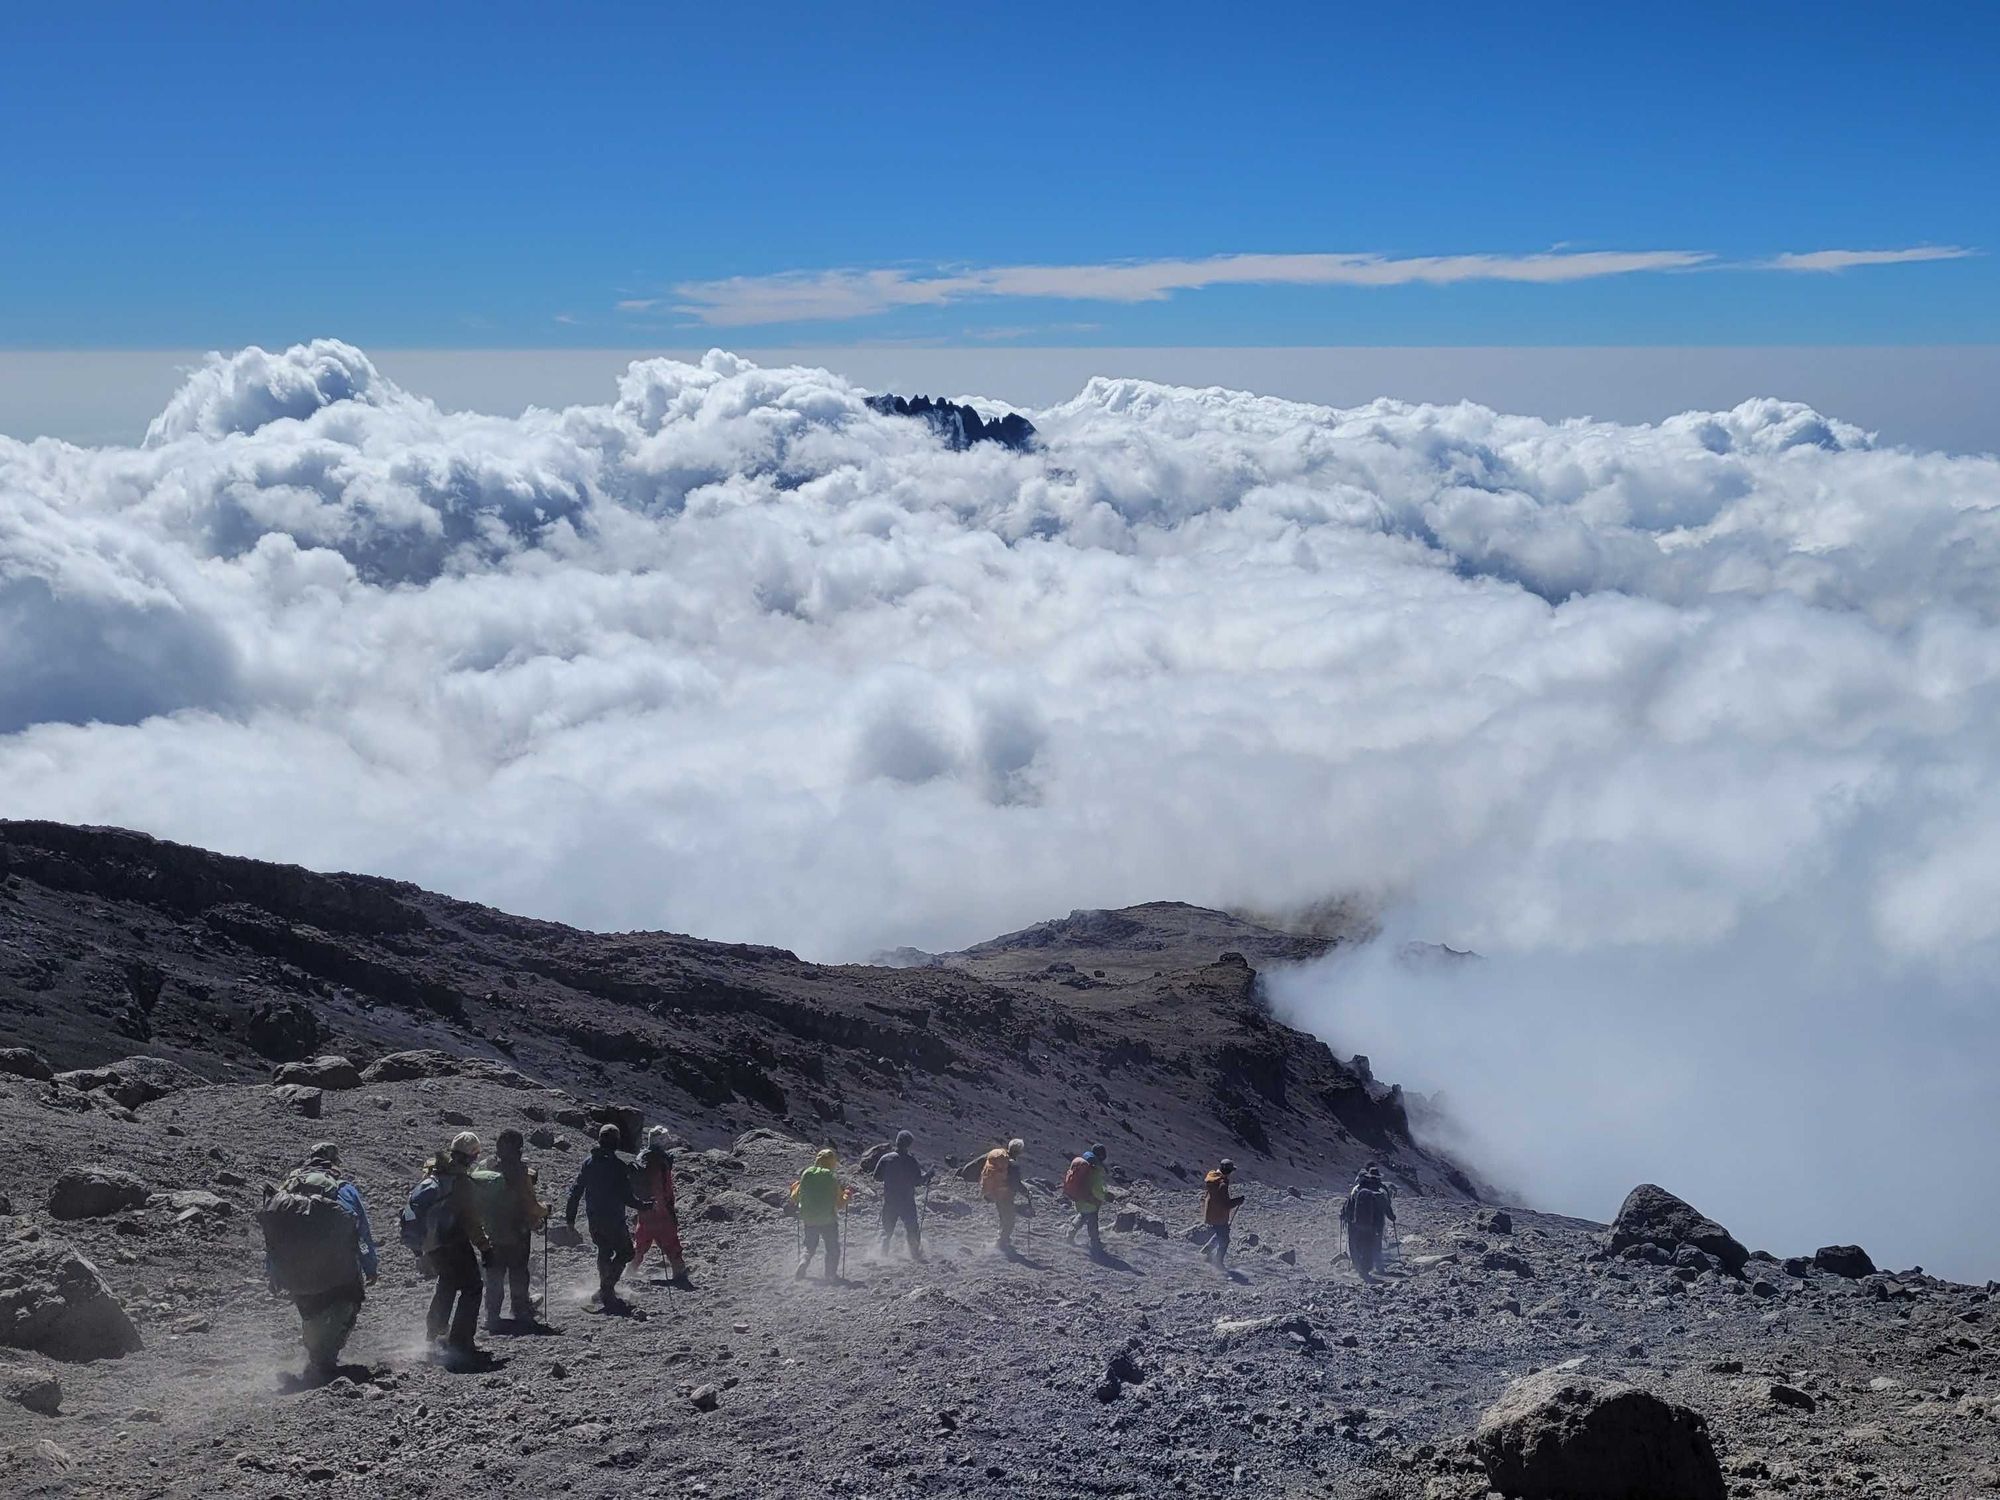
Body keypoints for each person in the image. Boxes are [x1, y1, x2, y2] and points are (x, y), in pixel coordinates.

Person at [260, 1141, 378, 1380]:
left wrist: (273, 1272)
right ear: (334, 1163)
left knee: (311, 1311)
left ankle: (315, 1358)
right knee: (349, 1303)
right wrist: (370, 1265)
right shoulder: (343, 1189)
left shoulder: (287, 1193)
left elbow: (274, 1238)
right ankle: (325, 1361)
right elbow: (361, 1231)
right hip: (339, 1269)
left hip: (295, 1271)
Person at [566, 1123, 652, 1311]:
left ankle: (605, 1289)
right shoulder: (618, 1166)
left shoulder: (588, 1163)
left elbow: (576, 1190)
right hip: (613, 1219)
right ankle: (607, 1288)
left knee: (603, 1250)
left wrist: (570, 1216)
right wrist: (644, 1206)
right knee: (626, 1252)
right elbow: (627, 1197)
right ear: (616, 1143)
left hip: (594, 1217)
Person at [472, 1128, 547, 1331]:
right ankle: (520, 1310)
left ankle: (492, 1316)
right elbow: (531, 1205)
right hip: (517, 1233)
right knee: (518, 1273)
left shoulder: (486, 1168)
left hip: (492, 1232)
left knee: (494, 1275)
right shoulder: (521, 1173)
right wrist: (544, 1211)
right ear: (519, 1149)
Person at [631, 1127, 693, 1288]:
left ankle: (629, 1270)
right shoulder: (658, 1162)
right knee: (671, 1241)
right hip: (660, 1210)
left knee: (642, 1241)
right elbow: (660, 1188)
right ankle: (679, 1273)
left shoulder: (642, 1158)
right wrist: (665, 1209)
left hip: (644, 1209)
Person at [872, 1129, 933, 1262]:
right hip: (906, 1201)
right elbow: (918, 1181)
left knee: (887, 1229)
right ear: (909, 1144)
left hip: (890, 1200)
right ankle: (915, 1254)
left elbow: (876, 1177)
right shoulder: (911, 1161)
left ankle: (881, 1254)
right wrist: (928, 1175)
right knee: (912, 1228)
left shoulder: (886, 1158)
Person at [791, 1147, 850, 1281]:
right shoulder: (831, 1177)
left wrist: (794, 1187)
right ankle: (830, 1275)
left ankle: (804, 1261)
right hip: (828, 1220)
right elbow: (840, 1204)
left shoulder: (807, 1174)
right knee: (832, 1247)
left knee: (809, 1245)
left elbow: (795, 1197)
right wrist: (847, 1195)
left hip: (809, 1219)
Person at [1340, 1165, 1397, 1279]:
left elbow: (1348, 1205)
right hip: (1376, 1224)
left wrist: (1344, 1217)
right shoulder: (1381, 1192)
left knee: (1356, 1244)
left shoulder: (1357, 1190)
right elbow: (1387, 1208)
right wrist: (1392, 1217)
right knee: (1374, 1244)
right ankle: (1377, 1266)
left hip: (1355, 1222)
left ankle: (1358, 1266)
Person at [980, 1138, 1031, 1253]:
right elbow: (1015, 1183)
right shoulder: (1012, 1165)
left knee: (1003, 1217)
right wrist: (1026, 1192)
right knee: (1009, 1220)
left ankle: (1003, 1239)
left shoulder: (1001, 1160)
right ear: (1019, 1151)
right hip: (1006, 1195)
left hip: (996, 1193)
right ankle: (1001, 1243)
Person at [1064, 1145, 1110, 1255]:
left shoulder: (1084, 1164)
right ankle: (1095, 1243)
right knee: (1092, 1222)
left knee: (1082, 1215)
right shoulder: (1095, 1170)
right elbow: (1097, 1189)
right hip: (1090, 1201)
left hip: (1080, 1198)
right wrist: (1104, 1196)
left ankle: (1070, 1234)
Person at [1201, 1158, 1245, 1267]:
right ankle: (1217, 1262)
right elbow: (1226, 1204)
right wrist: (1238, 1201)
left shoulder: (1212, 1176)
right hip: (1219, 1215)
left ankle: (1207, 1251)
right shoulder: (1222, 1184)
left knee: (1221, 1233)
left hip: (1210, 1212)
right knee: (1225, 1240)